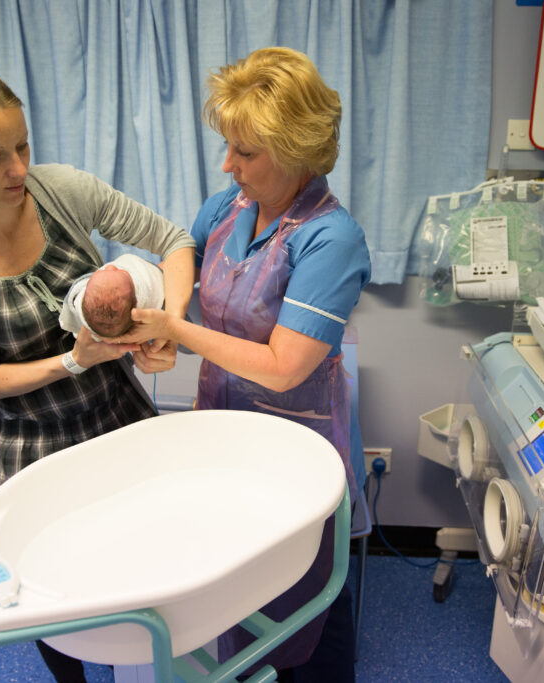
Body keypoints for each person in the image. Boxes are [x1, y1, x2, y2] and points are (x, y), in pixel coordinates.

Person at [0, 62, 194, 683]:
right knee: (57, 602)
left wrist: (168, 325)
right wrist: (73, 360)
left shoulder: (63, 191)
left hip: (117, 416)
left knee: (146, 565)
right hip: (29, 446)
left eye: (22, 145)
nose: (18, 170)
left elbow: (172, 240)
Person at [113, 47, 371, 683]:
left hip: (296, 447)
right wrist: (162, 319)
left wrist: (181, 330)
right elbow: (181, 255)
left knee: (305, 608)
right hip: (223, 431)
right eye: (228, 147)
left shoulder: (329, 238)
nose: (228, 166)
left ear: (296, 150)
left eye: (246, 153)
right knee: (235, 586)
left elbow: (284, 365)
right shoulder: (228, 210)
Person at [58, 253, 164, 340]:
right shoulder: (143, 299)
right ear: (136, 299)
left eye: (100, 271)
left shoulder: (79, 301)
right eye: (122, 272)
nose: (110, 266)